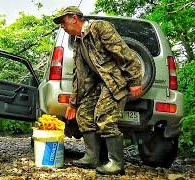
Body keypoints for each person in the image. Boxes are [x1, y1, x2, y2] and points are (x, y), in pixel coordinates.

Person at [53, 6, 142, 175]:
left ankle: (116, 163)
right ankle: (91, 157)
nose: (62, 26)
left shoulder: (100, 27)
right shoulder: (79, 43)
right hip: (98, 85)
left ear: (74, 18)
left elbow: (123, 52)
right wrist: (73, 103)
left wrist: (135, 79)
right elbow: (80, 77)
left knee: (104, 117)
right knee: (84, 114)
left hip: (114, 82)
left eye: (63, 21)